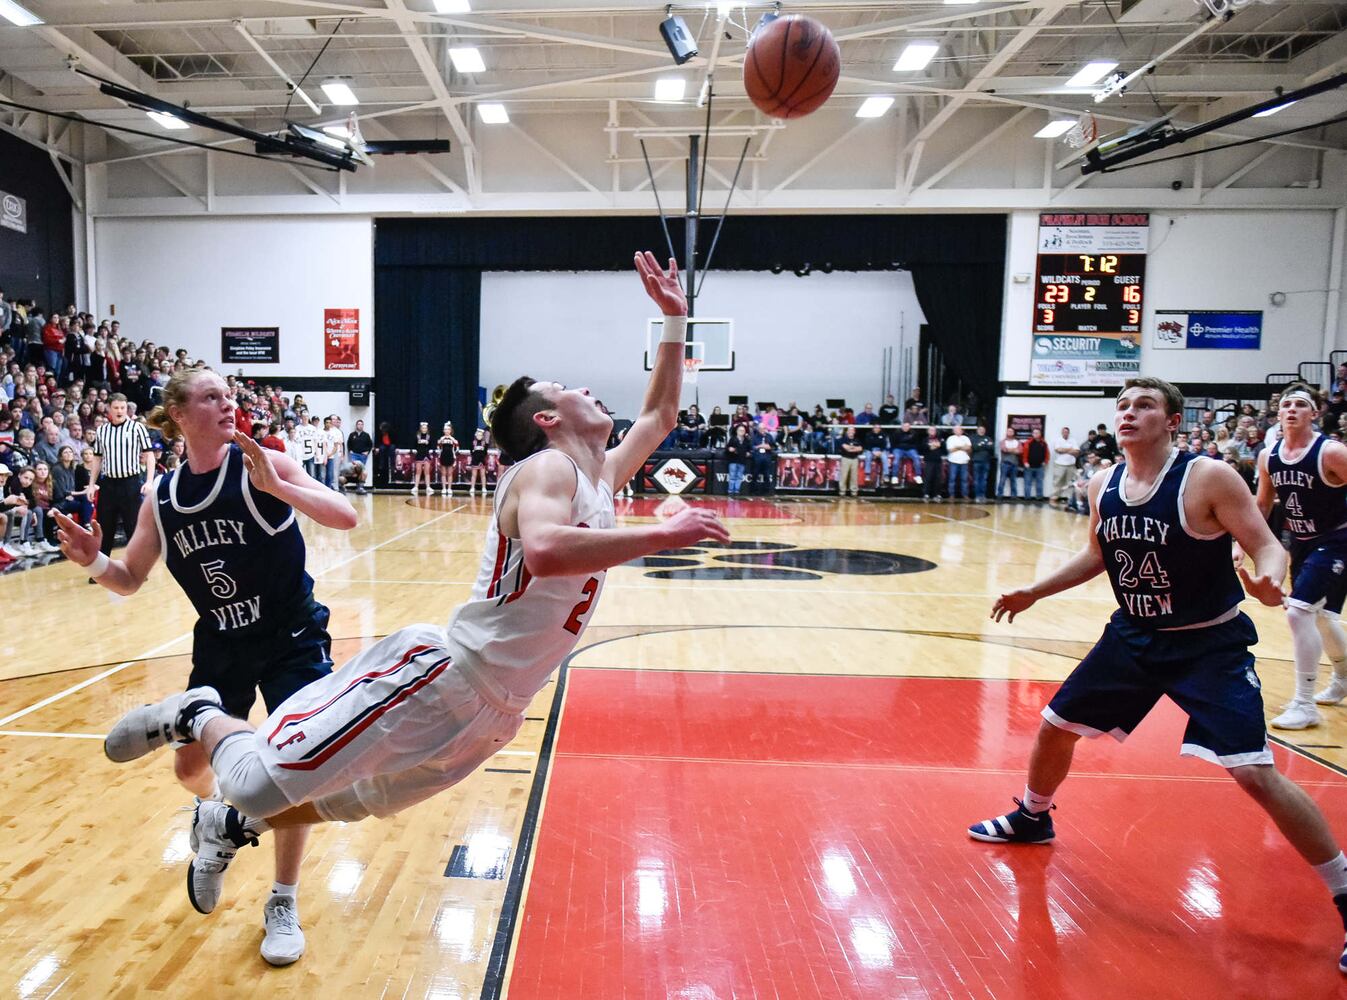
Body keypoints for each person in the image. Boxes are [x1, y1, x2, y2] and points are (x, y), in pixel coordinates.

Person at [98, 253, 730, 961]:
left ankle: (228, 828)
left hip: (499, 709)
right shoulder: (546, 468)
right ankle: (192, 712)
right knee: (253, 776)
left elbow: (661, 412)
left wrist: (674, 318)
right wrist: (661, 533)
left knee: (352, 801)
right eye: (568, 386)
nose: (590, 387)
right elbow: (548, 551)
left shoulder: (600, 475)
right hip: (444, 674)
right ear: (549, 419)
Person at [967, 376, 1347, 976]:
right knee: (1053, 725)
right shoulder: (1103, 482)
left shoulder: (1208, 478)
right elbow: (1098, 554)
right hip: (1134, 636)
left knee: (1254, 773)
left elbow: (1268, 544)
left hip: (1207, 644)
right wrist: (1035, 591)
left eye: (1144, 405)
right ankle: (1032, 817)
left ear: (1172, 420)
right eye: (1122, 405)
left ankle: (1346, 894)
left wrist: (1271, 578)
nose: (1128, 413)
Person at [56, 367, 358, 966]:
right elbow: (129, 579)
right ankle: (216, 812)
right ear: (179, 414)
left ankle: (282, 898)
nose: (228, 404)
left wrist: (283, 488)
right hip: (220, 643)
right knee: (188, 767)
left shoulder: (262, 465)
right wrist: (94, 562)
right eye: (211, 396)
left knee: (293, 765)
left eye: (229, 394)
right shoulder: (162, 499)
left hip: (289, 635)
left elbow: (344, 516)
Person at [1247, 384, 1347, 730]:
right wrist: (1237, 542)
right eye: (1286, 404)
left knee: (1299, 611)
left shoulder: (1331, 452)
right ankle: (1344, 678)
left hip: (1337, 539)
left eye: (1300, 405)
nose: (1291, 409)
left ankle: (1304, 704)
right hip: (1301, 541)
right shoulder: (1268, 455)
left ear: (1314, 414)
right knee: (1322, 617)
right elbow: (1261, 504)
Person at [92, 392, 154, 559]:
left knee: (132, 526)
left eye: (123, 407)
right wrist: (92, 483)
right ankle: (102, 567)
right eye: (116, 407)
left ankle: (136, 566)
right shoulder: (102, 431)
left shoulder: (137, 428)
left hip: (131, 483)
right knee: (105, 527)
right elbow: (97, 458)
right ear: (108, 409)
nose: (120, 411)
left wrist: (149, 481)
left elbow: (149, 454)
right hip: (109, 484)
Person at [1051, 426, 1080, 504]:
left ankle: (1069, 499)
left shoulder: (1073, 440)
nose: (1065, 433)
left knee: (1070, 483)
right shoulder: (1058, 440)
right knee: (1057, 482)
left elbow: (1077, 452)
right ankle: (1054, 497)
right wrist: (1070, 449)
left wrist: (1064, 450)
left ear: (1068, 433)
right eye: (1064, 432)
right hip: (1060, 464)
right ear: (1062, 432)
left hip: (1071, 465)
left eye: (1067, 432)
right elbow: (1058, 450)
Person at [945, 422, 972, 500]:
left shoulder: (966, 438)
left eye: (959, 429)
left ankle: (965, 495)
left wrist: (957, 447)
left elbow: (969, 449)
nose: (958, 431)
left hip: (964, 461)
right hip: (953, 461)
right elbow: (950, 450)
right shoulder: (951, 438)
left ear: (962, 431)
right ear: (953, 431)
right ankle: (951, 495)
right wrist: (962, 447)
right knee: (952, 479)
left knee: (964, 479)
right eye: (956, 430)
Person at [346, 419, 372, 494]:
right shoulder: (352, 435)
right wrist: (350, 450)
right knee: (355, 470)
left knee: (362, 470)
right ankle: (356, 485)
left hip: (363, 456)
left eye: (361, 424)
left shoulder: (366, 435)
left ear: (363, 426)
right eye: (358, 424)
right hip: (354, 455)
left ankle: (360, 486)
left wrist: (367, 452)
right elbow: (349, 443)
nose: (360, 425)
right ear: (356, 425)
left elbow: (370, 445)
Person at [725, 423, 750, 496]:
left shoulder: (746, 440)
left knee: (739, 477)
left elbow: (750, 449)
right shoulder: (733, 439)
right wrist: (729, 449)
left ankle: (736, 490)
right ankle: (730, 491)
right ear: (737, 431)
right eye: (740, 430)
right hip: (733, 460)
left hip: (742, 460)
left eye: (743, 430)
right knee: (732, 476)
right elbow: (727, 448)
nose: (742, 431)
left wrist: (749, 453)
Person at [998, 426, 1022, 500]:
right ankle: (999, 495)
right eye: (1008, 431)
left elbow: (1020, 451)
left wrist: (1009, 449)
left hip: (1014, 464)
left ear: (1014, 433)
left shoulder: (1017, 442)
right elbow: (1004, 449)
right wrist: (1014, 450)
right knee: (1002, 479)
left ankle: (1014, 496)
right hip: (1005, 463)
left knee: (1013, 480)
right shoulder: (1003, 441)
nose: (1010, 432)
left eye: (1011, 431)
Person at [838, 427, 862, 498]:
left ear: (854, 432)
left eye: (852, 430)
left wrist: (851, 448)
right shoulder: (843, 439)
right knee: (844, 476)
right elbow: (846, 448)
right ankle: (842, 492)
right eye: (849, 430)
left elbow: (860, 448)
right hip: (845, 458)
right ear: (847, 432)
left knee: (854, 477)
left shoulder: (857, 440)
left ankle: (854, 493)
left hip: (855, 459)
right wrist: (854, 448)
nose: (851, 431)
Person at [410, 421, 433, 494]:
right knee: (418, 471)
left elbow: (432, 445)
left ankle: (428, 486)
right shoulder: (417, 436)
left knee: (427, 472)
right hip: (419, 455)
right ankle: (416, 486)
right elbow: (414, 445)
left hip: (426, 455)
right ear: (420, 428)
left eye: (425, 428)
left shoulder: (429, 436)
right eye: (423, 428)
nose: (424, 429)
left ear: (427, 429)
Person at [438, 421, 459, 496]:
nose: (447, 431)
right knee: (443, 473)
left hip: (450, 456)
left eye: (448, 429)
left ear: (450, 431)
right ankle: (444, 488)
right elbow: (438, 447)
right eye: (445, 430)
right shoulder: (441, 438)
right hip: (443, 456)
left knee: (450, 473)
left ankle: (449, 488)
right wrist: (440, 441)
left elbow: (457, 448)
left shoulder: (453, 439)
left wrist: (452, 439)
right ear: (443, 431)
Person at [467, 429, 488, 496]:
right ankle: (472, 487)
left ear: (482, 436)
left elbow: (485, 453)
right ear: (475, 435)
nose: (479, 436)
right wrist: (475, 459)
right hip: (475, 461)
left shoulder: (484, 443)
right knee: (474, 475)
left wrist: (481, 460)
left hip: (482, 461)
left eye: (480, 435)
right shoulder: (473, 443)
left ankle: (484, 488)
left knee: (483, 475)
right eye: (478, 435)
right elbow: (471, 452)